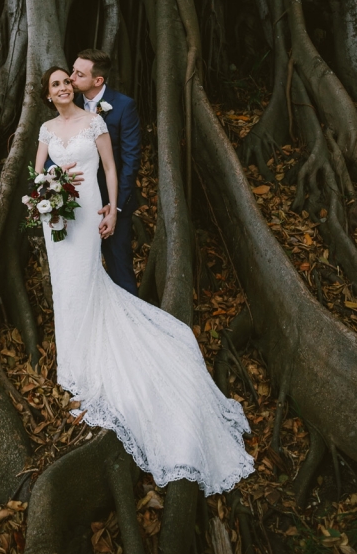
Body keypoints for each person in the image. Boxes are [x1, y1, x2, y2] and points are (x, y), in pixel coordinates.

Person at [32, 66, 254, 496]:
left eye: (66, 81)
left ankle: (96, 361)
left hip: (90, 209)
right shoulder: (44, 128)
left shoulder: (94, 121)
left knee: (85, 281)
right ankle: (73, 364)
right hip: (58, 215)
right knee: (65, 287)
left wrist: (113, 209)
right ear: (47, 95)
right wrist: (49, 189)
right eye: (55, 84)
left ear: (73, 87)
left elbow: (111, 169)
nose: (62, 87)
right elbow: (37, 175)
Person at [69, 49, 140, 295]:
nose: (71, 78)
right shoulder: (69, 103)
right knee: (81, 271)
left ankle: (134, 328)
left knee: (120, 268)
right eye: (73, 70)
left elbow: (130, 160)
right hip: (76, 201)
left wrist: (116, 207)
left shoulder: (122, 106)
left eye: (79, 74)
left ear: (97, 80)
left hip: (110, 204)